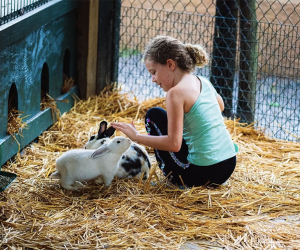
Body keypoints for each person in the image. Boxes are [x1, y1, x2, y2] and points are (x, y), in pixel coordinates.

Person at [111, 35, 238, 188]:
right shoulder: (202, 81)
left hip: (202, 173)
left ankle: (175, 181)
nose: (153, 79)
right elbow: (221, 106)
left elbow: (174, 144)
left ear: (170, 64)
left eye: (154, 72)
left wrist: (137, 136)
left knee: (153, 116)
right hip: (228, 164)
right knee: (163, 116)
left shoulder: (175, 94)